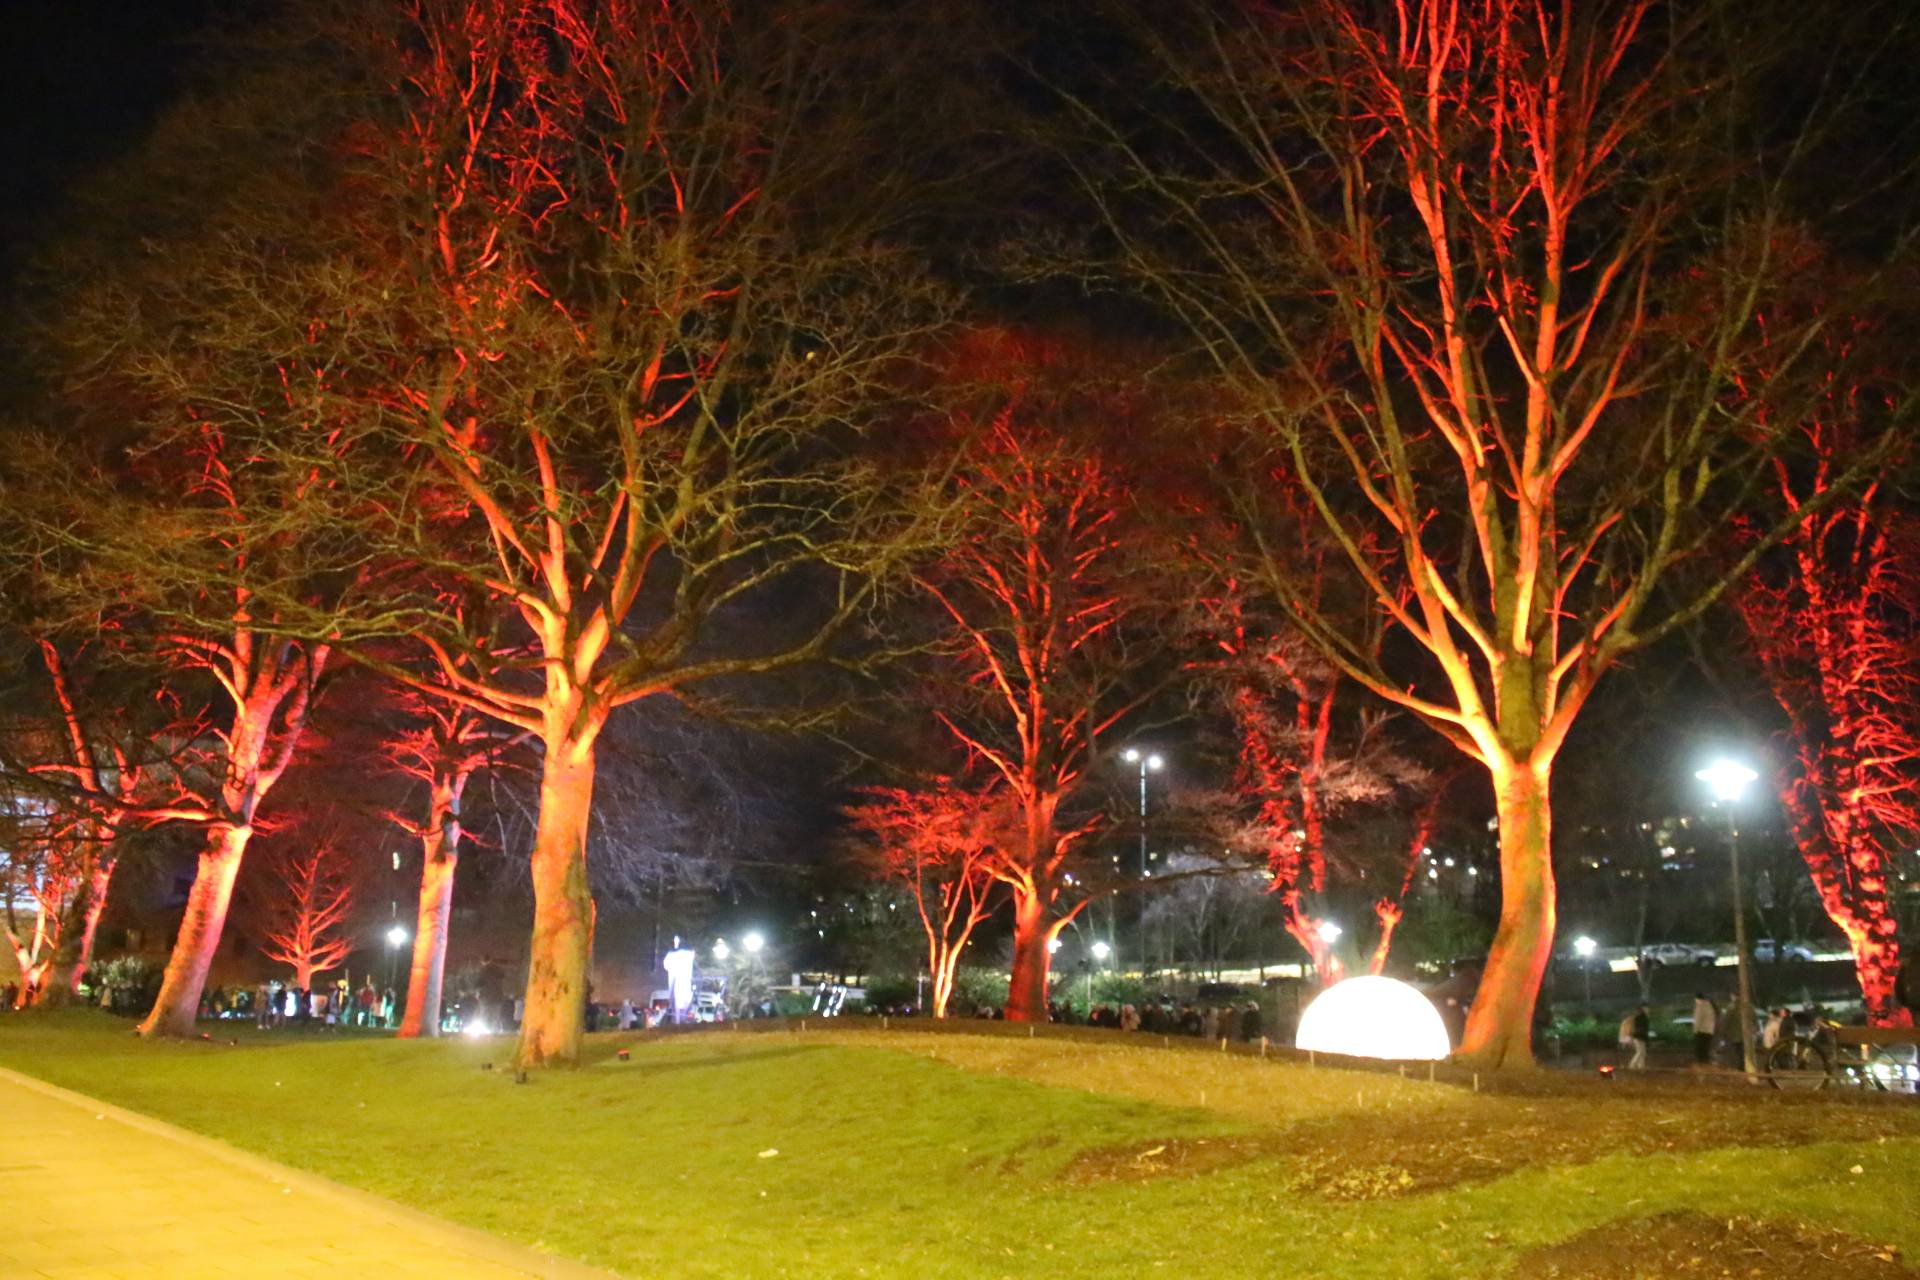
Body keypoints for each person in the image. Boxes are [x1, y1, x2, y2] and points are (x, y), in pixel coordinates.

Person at [1691, 993, 1718, 1066]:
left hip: (1701, 1030)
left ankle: (1700, 1063)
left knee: (1699, 1048)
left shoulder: (1700, 1006)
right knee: (1706, 1048)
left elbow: (1698, 1019)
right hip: (1709, 1030)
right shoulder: (1710, 1006)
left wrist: (1695, 1029)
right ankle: (1706, 1062)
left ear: (1697, 999)